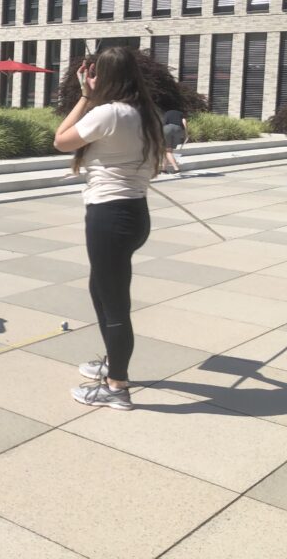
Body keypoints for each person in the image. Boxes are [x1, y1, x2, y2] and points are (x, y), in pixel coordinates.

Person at [54, 46, 164, 411]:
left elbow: (61, 139)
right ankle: (114, 364)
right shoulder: (144, 113)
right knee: (101, 290)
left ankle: (118, 385)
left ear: (103, 75)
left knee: (114, 302)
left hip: (110, 215)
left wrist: (85, 96)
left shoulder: (109, 113)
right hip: (134, 213)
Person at [161, 108, 188, 175]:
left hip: (168, 128)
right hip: (178, 130)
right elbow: (184, 122)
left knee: (168, 151)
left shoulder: (167, 112)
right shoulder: (180, 113)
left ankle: (176, 169)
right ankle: (163, 170)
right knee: (168, 150)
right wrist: (186, 134)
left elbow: (163, 123)